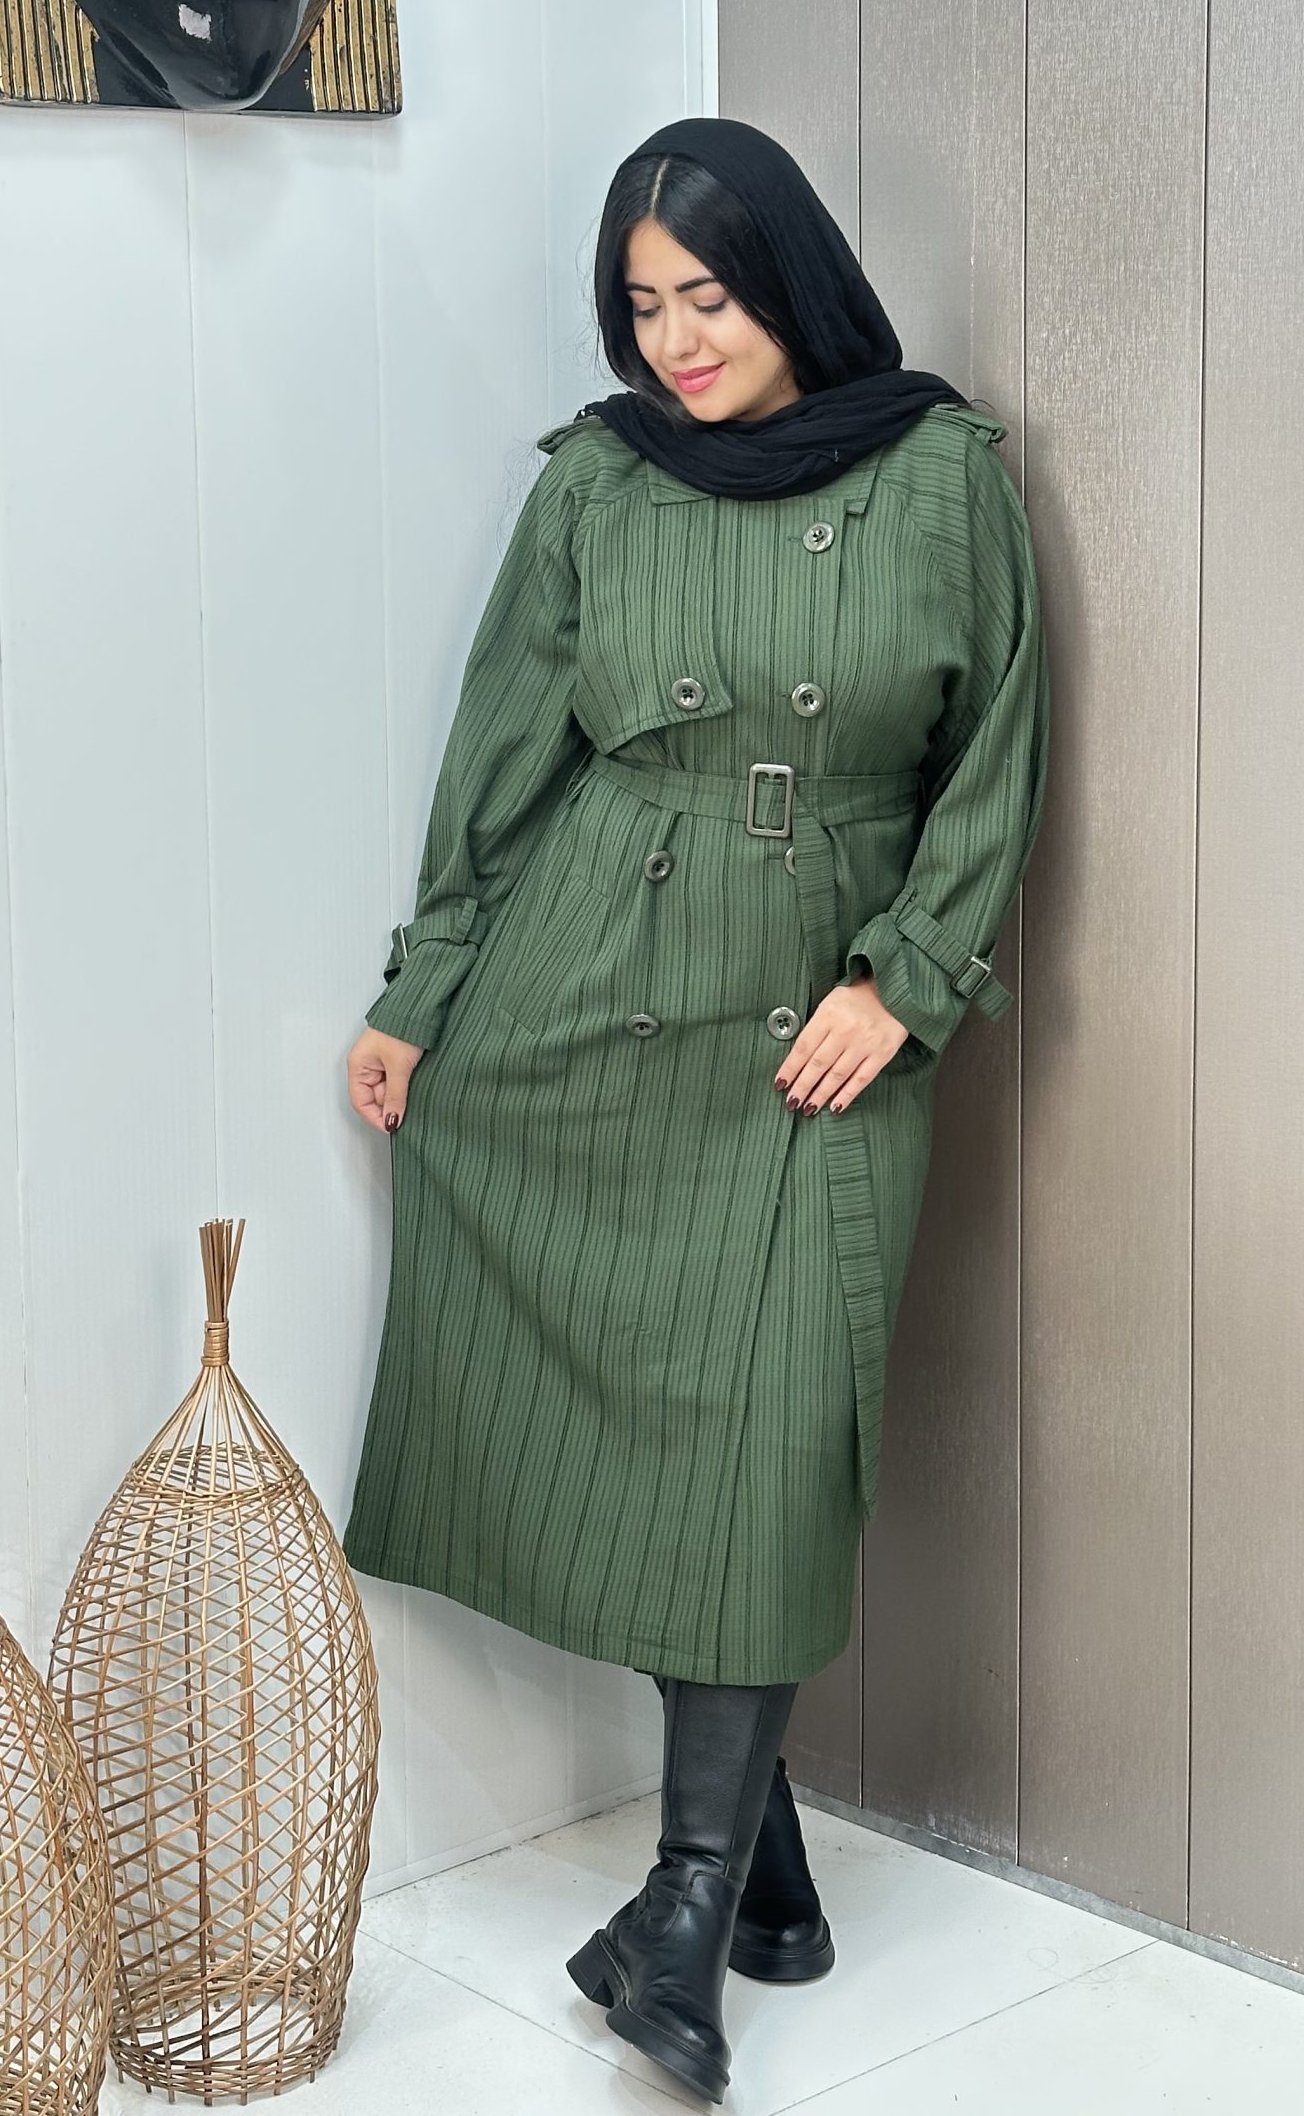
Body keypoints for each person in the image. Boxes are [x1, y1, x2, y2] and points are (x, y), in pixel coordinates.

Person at [341, 115, 1050, 2104]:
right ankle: (761, 1873)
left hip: (819, 1004)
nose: (676, 342)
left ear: (792, 280)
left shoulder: (941, 474)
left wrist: (905, 981)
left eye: (710, 297)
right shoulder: (596, 481)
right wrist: (422, 995)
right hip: (595, 979)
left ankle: (679, 1912)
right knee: (671, 1439)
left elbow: (999, 753)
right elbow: (502, 754)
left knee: (765, 1430)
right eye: (644, 305)